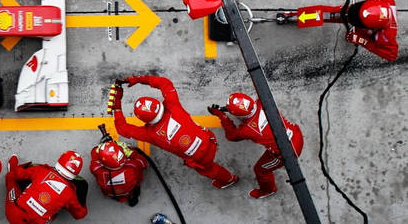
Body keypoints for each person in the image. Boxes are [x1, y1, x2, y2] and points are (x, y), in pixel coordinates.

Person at [108, 76, 238, 188]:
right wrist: (138, 79)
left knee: (211, 170)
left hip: (199, 160)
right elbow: (165, 83)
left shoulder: (150, 134)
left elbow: (122, 129)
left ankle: (229, 179)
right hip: (210, 140)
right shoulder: (173, 105)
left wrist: (117, 104)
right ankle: (229, 178)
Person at [208, 92, 304, 199]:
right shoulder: (262, 101)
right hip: (296, 134)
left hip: (287, 152)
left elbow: (232, 136)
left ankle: (268, 190)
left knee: (261, 170)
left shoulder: (247, 130)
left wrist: (222, 116)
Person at [282, 0, 399, 61]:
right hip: (357, 11)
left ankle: (297, 16)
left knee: (338, 15)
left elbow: (391, 55)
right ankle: (296, 15)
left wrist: (362, 40)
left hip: (360, 27)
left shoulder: (387, 36)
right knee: (337, 12)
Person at [4, 151, 87, 223]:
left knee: (10, 177)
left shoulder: (41, 170)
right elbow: (79, 214)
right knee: (52, 213)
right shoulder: (70, 193)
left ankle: (11, 168)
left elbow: (18, 174)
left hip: (14, 215)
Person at [89, 137, 147, 206]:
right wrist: (129, 151)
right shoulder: (132, 165)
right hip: (129, 191)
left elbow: (94, 154)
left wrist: (101, 147)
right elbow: (144, 164)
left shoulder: (96, 168)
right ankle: (134, 197)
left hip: (109, 193)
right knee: (138, 178)